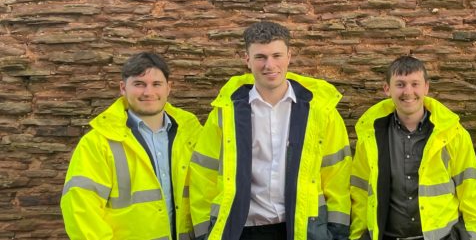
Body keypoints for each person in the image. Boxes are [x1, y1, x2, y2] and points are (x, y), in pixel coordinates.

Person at [189, 21, 352, 240]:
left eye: (277, 55)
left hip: (304, 229)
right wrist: (204, 234)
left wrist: (336, 234)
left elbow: (337, 176)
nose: (269, 65)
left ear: (289, 56)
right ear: (246, 59)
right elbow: (203, 176)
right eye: (260, 57)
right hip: (241, 230)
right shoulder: (225, 113)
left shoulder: (321, 112)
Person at [61, 52, 203, 239]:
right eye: (139, 84)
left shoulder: (193, 134)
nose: (148, 92)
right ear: (123, 88)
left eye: (156, 84)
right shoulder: (97, 143)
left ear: (169, 87)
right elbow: (81, 210)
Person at [349, 56, 476, 240]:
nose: (408, 91)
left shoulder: (453, 134)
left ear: (426, 87)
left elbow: (469, 190)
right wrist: (357, 236)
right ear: (386, 89)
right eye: (400, 84)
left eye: (415, 84)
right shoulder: (370, 135)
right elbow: (360, 192)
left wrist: (475, 236)